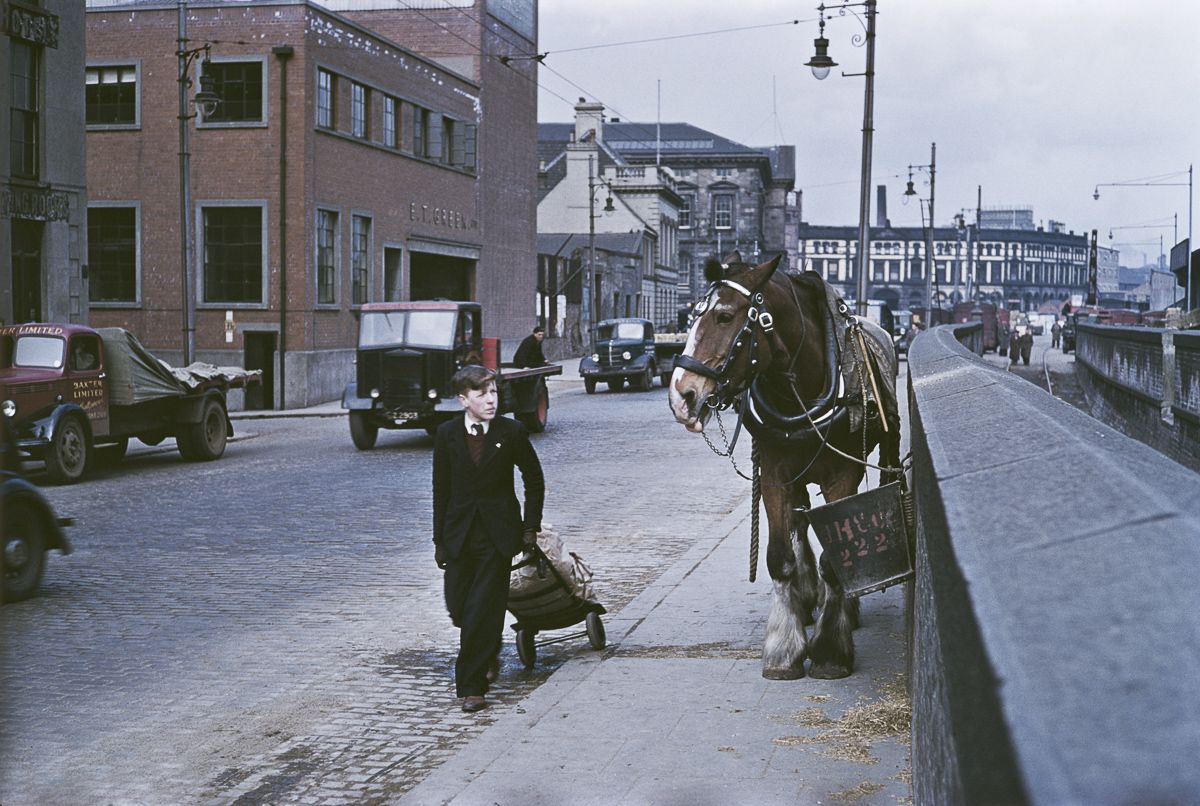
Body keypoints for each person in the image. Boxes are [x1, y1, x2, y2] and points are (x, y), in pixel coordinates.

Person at [432, 365, 544, 713]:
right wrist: (439, 540)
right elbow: (441, 489)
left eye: (494, 392)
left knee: (482, 608)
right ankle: (488, 647)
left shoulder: (511, 432)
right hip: (459, 535)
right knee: (459, 608)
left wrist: (530, 526)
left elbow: (534, 479)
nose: (491, 400)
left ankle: (472, 686)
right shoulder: (447, 434)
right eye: (482, 394)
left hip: (497, 537)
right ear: (464, 400)